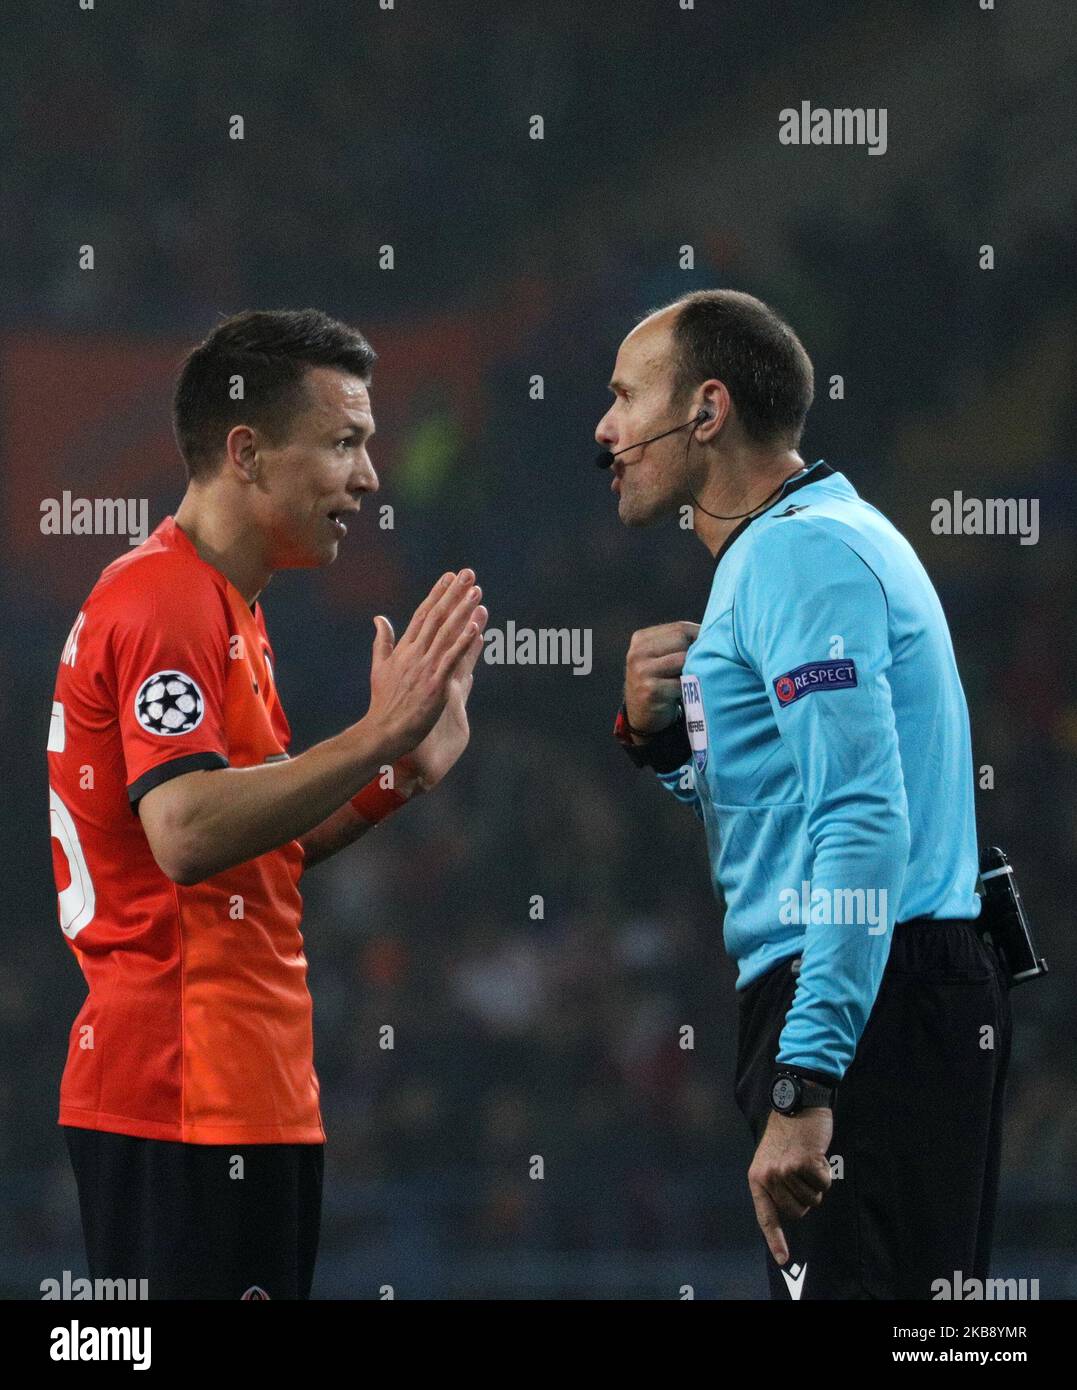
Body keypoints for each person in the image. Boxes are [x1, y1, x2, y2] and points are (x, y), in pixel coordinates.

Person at [46, 308, 488, 1299]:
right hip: (180, 1089)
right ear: (247, 451)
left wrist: (395, 776)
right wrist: (376, 732)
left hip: (245, 1088)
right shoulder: (165, 603)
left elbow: (250, 847)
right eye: (345, 443)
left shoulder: (227, 612)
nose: (370, 478)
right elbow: (189, 833)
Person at [596, 289, 1011, 1300]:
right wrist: (663, 748)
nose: (604, 429)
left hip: (868, 1000)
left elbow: (862, 819)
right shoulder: (805, 542)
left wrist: (805, 1075)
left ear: (706, 410)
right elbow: (787, 805)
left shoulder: (797, 556)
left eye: (621, 396)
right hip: (889, 989)